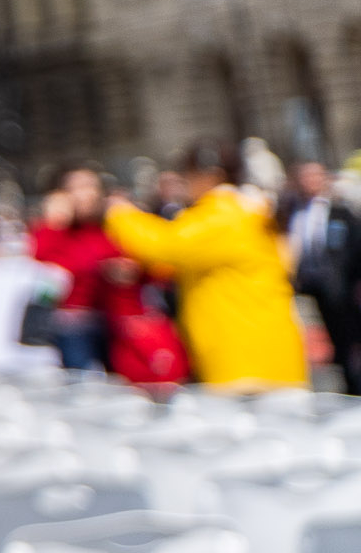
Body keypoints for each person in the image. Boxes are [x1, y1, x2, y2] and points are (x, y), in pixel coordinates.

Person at [106, 138, 307, 389]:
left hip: (245, 357)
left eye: (187, 175)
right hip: (261, 349)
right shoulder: (244, 208)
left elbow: (166, 247)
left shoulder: (223, 214)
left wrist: (120, 214)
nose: (184, 183)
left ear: (210, 175)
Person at [29, 162, 144, 374]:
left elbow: (140, 263)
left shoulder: (110, 227)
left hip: (113, 324)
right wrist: (55, 219)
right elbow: (45, 259)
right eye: (77, 188)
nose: (86, 194)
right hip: (72, 327)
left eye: (91, 186)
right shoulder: (56, 229)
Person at [284, 159, 361, 389]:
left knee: (350, 339)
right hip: (309, 287)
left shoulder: (341, 212)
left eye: (315, 176)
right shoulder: (292, 211)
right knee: (331, 341)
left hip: (341, 288)